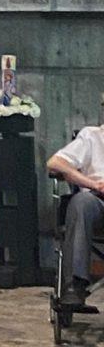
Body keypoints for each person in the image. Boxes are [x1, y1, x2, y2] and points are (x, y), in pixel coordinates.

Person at [48, 128, 104, 306]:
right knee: (80, 202)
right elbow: (55, 163)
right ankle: (74, 284)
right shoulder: (92, 136)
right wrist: (93, 184)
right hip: (96, 201)